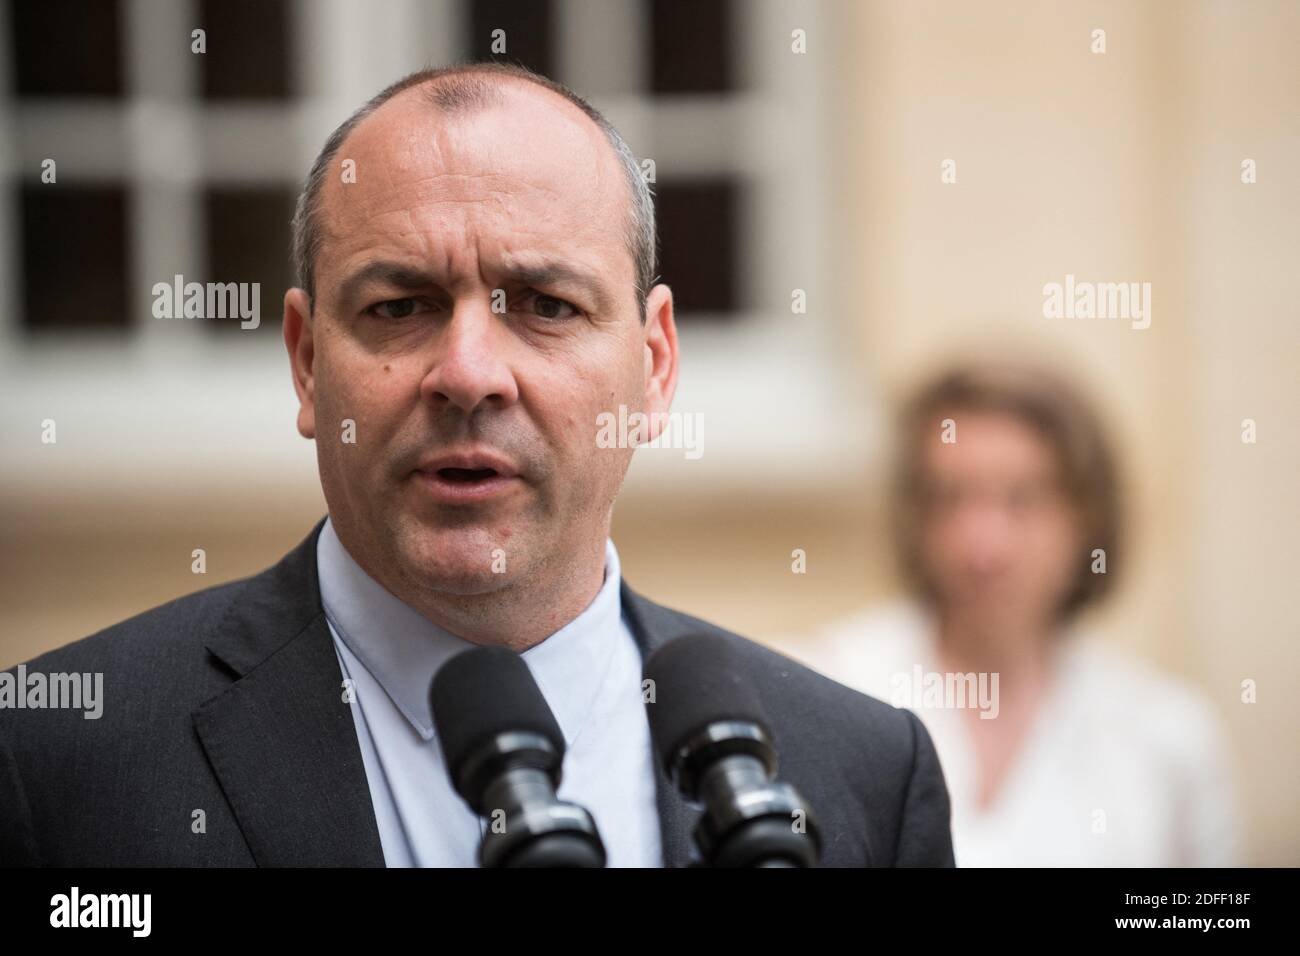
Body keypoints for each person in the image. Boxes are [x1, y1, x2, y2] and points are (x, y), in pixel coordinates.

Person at [0, 63, 954, 868]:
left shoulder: (864, 769)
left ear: (655, 366)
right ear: (305, 360)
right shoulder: (57, 759)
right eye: (399, 306)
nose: (466, 374)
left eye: (543, 303)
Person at [787, 360, 1242, 866]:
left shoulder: (1164, 736)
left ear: (1086, 517)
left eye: (1022, 499)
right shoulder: (829, 687)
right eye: (951, 498)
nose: (983, 544)